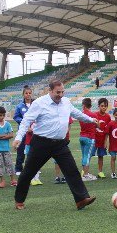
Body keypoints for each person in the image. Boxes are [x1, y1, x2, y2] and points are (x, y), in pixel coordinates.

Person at [12, 80, 100, 211]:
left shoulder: (66, 102)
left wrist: (91, 120)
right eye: (57, 92)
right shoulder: (39, 103)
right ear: (50, 91)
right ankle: (19, 200)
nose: (60, 95)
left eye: (62, 92)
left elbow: (77, 113)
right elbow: (26, 120)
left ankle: (81, 199)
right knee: (28, 172)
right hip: (41, 143)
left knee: (72, 171)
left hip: (60, 144)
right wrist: (18, 138)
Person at [0, 106, 17, 189]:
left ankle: (13, 180)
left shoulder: (8, 124)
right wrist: (6, 135)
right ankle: (2, 181)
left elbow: (11, 135)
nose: (2, 117)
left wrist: (1, 136)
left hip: (6, 148)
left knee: (9, 163)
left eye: (3, 115)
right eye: (0, 115)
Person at [13, 86, 33, 175]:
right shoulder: (20, 106)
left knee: (33, 150)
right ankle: (18, 168)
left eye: (29, 93)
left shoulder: (35, 104)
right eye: (26, 93)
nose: (28, 95)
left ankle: (33, 167)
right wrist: (24, 124)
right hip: (23, 131)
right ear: (23, 94)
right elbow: (16, 117)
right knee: (21, 150)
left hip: (34, 132)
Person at [79, 98, 97, 181]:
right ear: (90, 105)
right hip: (90, 137)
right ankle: (86, 175)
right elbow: (98, 125)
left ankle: (85, 173)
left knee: (84, 155)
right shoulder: (93, 115)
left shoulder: (81, 114)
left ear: (83, 105)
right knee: (87, 156)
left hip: (82, 136)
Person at [94, 98, 111, 179]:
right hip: (94, 139)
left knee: (101, 156)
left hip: (102, 140)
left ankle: (100, 172)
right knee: (89, 155)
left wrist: (106, 142)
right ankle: (85, 171)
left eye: (105, 106)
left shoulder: (108, 117)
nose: (104, 108)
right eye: (102, 106)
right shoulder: (95, 115)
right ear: (98, 106)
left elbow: (107, 131)